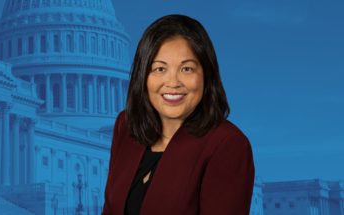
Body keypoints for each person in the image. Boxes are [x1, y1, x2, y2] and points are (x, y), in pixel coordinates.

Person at [102, 14, 255, 215]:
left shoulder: (227, 144)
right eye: (159, 68)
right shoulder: (126, 125)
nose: (173, 82)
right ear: (143, 76)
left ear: (206, 75)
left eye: (186, 68)